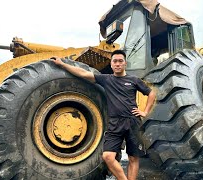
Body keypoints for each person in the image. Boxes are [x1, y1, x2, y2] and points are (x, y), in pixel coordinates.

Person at [52, 49, 156, 180]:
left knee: (133, 158)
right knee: (107, 156)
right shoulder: (106, 79)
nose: (117, 64)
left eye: (120, 61)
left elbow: (151, 93)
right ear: (111, 64)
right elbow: (84, 74)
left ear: (125, 63)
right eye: (115, 61)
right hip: (115, 123)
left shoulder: (134, 80)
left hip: (133, 122)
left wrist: (145, 111)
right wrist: (62, 65)